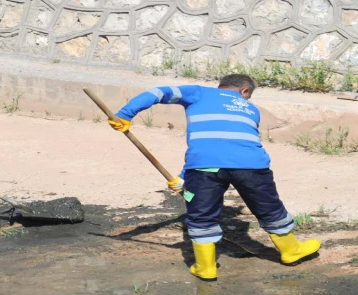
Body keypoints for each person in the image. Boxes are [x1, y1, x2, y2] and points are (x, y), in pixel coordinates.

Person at [108, 74, 320, 280]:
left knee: (201, 214)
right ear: (245, 91)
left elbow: (158, 93)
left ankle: (206, 267)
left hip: (204, 167)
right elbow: (229, 143)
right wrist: (183, 178)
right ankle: (291, 250)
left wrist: (125, 115)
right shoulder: (252, 109)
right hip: (252, 166)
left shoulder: (199, 93)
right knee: (268, 207)